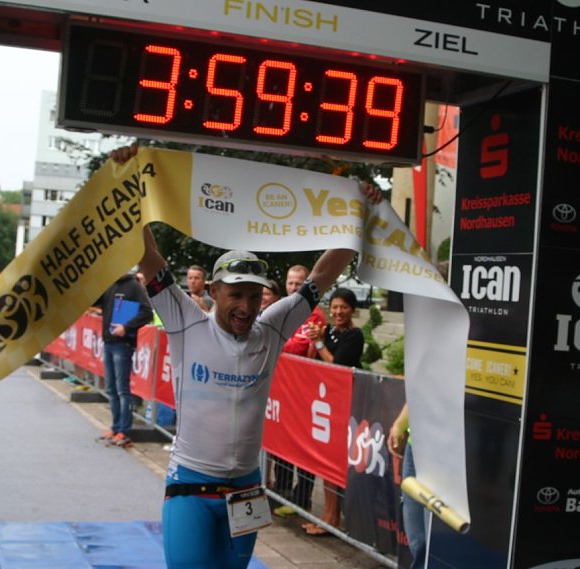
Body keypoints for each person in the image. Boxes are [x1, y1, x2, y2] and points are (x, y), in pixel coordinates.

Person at [116, 143, 382, 569]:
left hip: (245, 491)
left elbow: (323, 274)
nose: (245, 306)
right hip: (191, 489)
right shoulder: (187, 320)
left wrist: (359, 216)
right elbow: (148, 258)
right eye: (235, 295)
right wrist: (127, 184)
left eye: (254, 296)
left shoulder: (273, 325)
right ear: (215, 292)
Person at [301, 287, 364, 536]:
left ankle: (333, 518)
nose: (338, 312)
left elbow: (337, 366)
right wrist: (315, 339)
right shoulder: (330, 333)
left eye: (344, 308)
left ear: (352, 310)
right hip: (326, 403)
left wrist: (319, 342)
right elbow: (313, 358)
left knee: (335, 462)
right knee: (325, 463)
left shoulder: (354, 336)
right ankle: (328, 515)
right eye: (335, 307)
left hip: (345, 404)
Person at [273, 264, 328, 516]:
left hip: (305, 392)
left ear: (307, 284)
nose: (294, 288)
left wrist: (277, 343)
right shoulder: (283, 308)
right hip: (283, 388)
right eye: (291, 283)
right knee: (281, 441)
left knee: (303, 447)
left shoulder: (313, 314)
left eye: (299, 283)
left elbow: (296, 346)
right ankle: (281, 491)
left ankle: (302, 499)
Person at [90, 271, 154, 447]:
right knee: (111, 388)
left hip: (123, 344)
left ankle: (124, 431)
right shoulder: (109, 284)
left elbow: (147, 311)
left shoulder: (134, 286)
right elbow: (93, 302)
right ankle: (116, 426)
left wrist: (126, 327)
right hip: (108, 341)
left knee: (122, 389)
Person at [388, 402, 428, 568]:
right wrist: (399, 425)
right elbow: (418, 392)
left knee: (430, 538)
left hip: (439, 449)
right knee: (417, 538)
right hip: (415, 444)